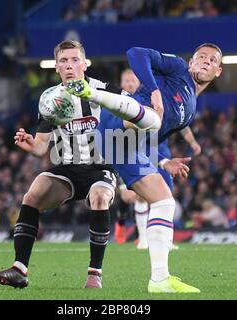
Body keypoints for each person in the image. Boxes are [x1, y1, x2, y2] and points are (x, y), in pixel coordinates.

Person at [66, 43, 222, 293]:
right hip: (115, 122)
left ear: (217, 71)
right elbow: (135, 53)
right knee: (152, 117)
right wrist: (154, 91)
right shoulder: (178, 69)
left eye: (212, 60)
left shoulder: (190, 108)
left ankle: (159, 280)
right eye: (201, 56)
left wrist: (162, 162)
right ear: (191, 61)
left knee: (164, 201)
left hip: (124, 145)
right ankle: (89, 92)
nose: (205, 61)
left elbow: (152, 140)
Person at [0, 40, 120, 290]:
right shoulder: (50, 99)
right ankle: (19, 269)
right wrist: (30, 143)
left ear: (84, 63)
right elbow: (41, 147)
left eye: (74, 60)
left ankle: (94, 275)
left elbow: (135, 113)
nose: (69, 65)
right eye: (63, 61)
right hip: (67, 169)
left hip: (101, 169)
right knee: (34, 192)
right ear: (56, 67)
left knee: (100, 196)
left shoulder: (106, 90)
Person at [115, 69, 202, 250]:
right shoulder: (119, 103)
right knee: (134, 196)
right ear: (121, 83)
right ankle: (139, 235)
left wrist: (192, 142)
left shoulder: (152, 98)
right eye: (126, 80)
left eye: (133, 79)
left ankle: (165, 240)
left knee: (166, 197)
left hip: (160, 149)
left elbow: (180, 121)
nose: (130, 83)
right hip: (133, 151)